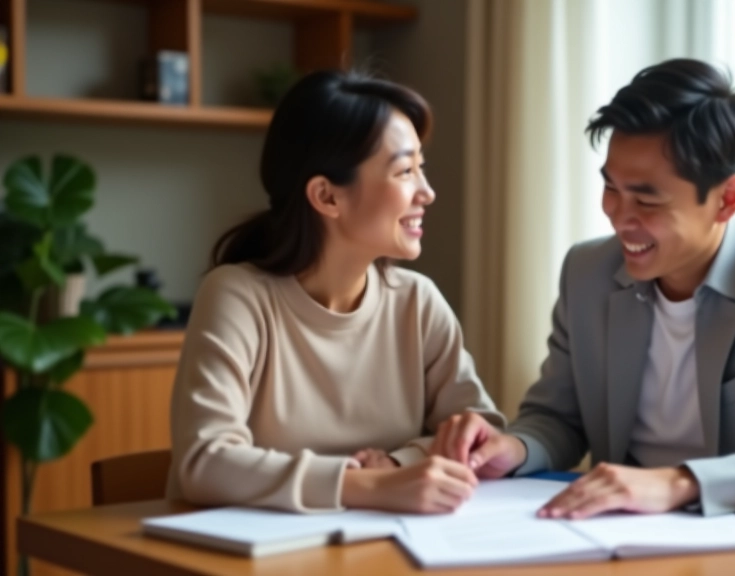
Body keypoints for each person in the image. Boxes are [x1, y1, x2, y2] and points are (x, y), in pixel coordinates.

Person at [433, 58, 735, 518]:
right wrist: (515, 446)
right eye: (611, 188)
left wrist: (680, 483)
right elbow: (558, 420)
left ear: (727, 199)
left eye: (646, 199)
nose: (617, 215)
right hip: (614, 537)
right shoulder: (587, 271)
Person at [166, 70, 504, 514]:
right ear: (327, 197)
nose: (428, 192)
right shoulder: (237, 297)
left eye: (421, 167)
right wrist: (368, 485)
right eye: (405, 171)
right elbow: (204, 461)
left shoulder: (418, 303)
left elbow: (480, 434)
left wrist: (397, 463)